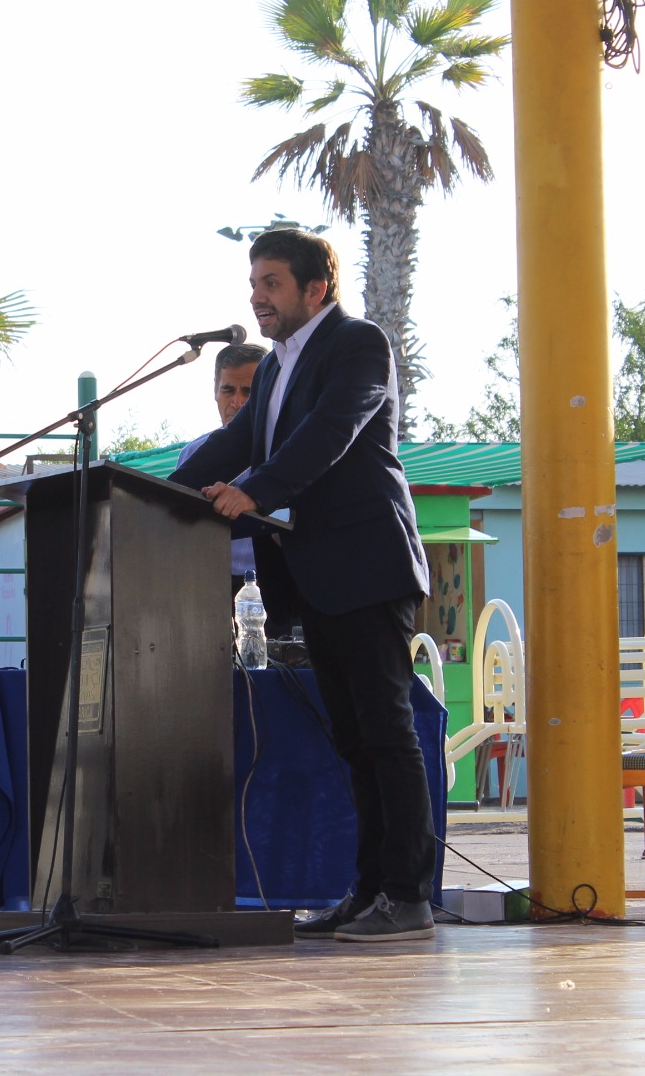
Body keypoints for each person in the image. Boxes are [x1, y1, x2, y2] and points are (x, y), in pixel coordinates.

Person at [170, 229, 436, 943]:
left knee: (386, 733)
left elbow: (330, 433)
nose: (257, 297)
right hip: (319, 574)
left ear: (316, 289)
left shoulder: (358, 343)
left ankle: (408, 897)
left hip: (369, 564)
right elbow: (234, 445)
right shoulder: (277, 365)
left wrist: (256, 491)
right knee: (352, 738)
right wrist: (156, 496)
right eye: (254, 283)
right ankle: (369, 891)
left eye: (272, 283)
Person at [175, 340, 268, 586]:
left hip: (272, 586)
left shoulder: (284, 453)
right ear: (215, 391)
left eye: (248, 392)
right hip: (208, 582)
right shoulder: (192, 454)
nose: (237, 402)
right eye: (228, 390)